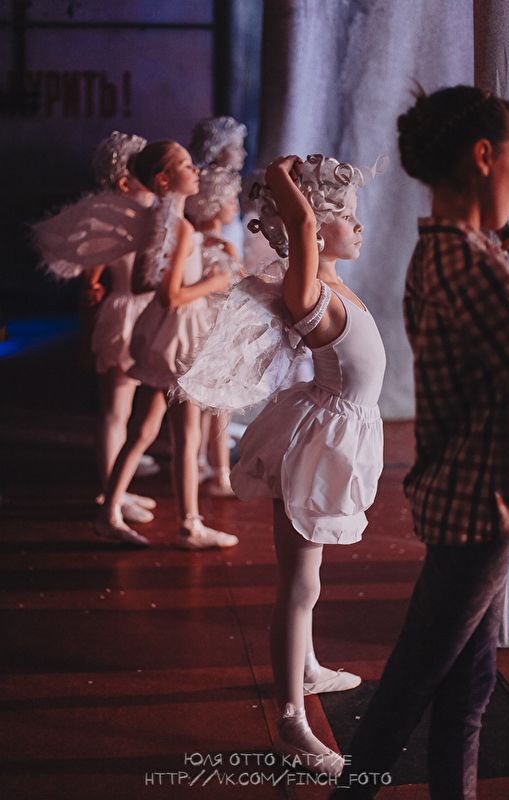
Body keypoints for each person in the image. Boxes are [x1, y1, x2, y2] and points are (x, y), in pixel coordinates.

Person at [331, 85, 509, 800]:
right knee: (412, 685)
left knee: (465, 682)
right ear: (483, 157)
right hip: (484, 499)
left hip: (468, 492)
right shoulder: (473, 266)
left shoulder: (452, 252)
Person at [177, 152, 388, 776]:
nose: (359, 226)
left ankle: (309, 667)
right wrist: (278, 177)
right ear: (315, 228)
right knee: (299, 585)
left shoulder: (334, 284)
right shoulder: (308, 288)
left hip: (332, 432)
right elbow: (299, 226)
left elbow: (306, 228)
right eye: (346, 216)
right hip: (315, 445)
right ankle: (292, 722)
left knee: (309, 582)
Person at [94, 140, 237, 549]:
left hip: (162, 335)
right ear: (164, 178)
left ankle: (109, 511)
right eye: (187, 166)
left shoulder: (158, 222)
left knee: (143, 430)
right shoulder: (181, 226)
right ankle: (190, 525)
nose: (196, 171)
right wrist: (213, 281)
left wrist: (198, 249)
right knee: (186, 436)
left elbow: (143, 282)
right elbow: (170, 296)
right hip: (180, 338)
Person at [32, 131, 158, 525]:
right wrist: (88, 333)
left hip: (145, 313)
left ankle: (119, 487)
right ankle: (110, 493)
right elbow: (91, 279)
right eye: (143, 172)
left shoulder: (149, 216)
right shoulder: (113, 221)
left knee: (130, 411)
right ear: (123, 183)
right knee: (116, 411)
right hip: (124, 316)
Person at [185, 164, 243, 496]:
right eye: (231, 200)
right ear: (214, 203)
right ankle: (221, 473)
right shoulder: (223, 246)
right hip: (217, 330)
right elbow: (240, 287)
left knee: (201, 405)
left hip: (195, 327)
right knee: (221, 405)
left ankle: (199, 464)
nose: (235, 207)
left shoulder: (192, 242)